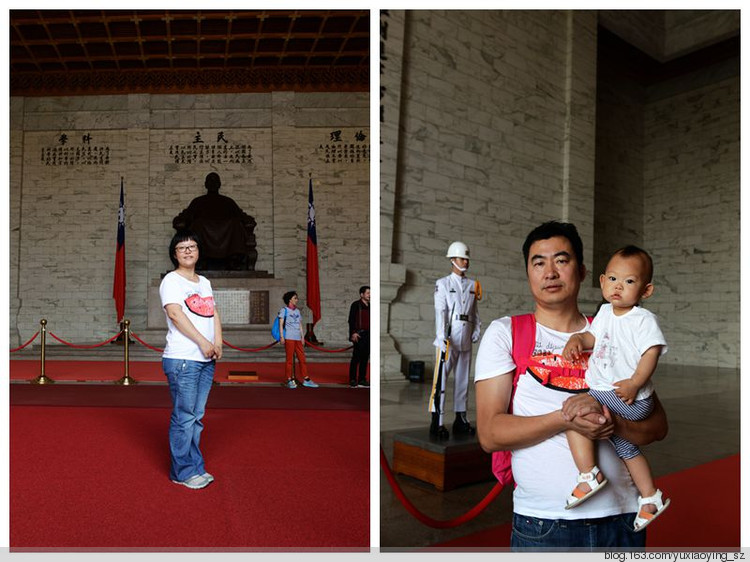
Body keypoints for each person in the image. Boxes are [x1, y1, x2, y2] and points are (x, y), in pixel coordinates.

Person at [475, 221, 668, 550]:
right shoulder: (506, 332)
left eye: (561, 261)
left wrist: (612, 425)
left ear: (582, 271)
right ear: (528, 273)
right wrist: (565, 419)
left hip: (622, 519)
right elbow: (490, 434)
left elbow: (657, 425)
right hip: (544, 523)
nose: (550, 272)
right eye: (539, 262)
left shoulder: (615, 328)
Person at [562, 245, 670, 530]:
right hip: (613, 393)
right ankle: (650, 497)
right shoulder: (605, 312)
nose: (618, 287)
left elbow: (652, 352)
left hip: (628, 396)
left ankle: (589, 475)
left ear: (646, 291)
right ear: (602, 281)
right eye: (612, 279)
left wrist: (635, 383)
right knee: (626, 448)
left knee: (575, 412)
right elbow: (592, 337)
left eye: (629, 281)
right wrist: (578, 340)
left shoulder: (643, 320)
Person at [159, 230, 223, 490]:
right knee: (184, 417)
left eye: (192, 246)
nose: (187, 251)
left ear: (198, 251)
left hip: (206, 359)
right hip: (183, 358)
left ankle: (195, 465)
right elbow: (175, 314)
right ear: (174, 254)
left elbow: (213, 312)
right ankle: (182, 471)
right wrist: (202, 342)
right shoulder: (171, 281)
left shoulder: (204, 281)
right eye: (182, 247)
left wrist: (217, 342)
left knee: (196, 416)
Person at [431, 241, 481, 438]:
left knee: (462, 381)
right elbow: (440, 311)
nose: (465, 262)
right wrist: (441, 335)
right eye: (461, 258)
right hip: (449, 337)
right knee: (441, 381)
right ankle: (438, 421)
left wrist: (477, 328)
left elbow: (474, 311)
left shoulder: (472, 285)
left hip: (466, 336)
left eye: (467, 259)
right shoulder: (443, 284)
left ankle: (461, 418)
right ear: (452, 260)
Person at [172, 172, 258, 270]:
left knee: (235, 223)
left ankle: (234, 260)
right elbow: (185, 216)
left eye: (215, 181)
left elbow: (241, 216)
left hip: (227, 233)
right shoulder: (198, 202)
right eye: (210, 181)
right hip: (203, 231)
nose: (212, 184)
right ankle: (200, 259)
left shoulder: (228, 202)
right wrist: (179, 221)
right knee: (198, 224)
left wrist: (249, 220)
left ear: (219, 184)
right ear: (205, 184)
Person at [278, 291, 318, 389]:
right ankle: (289, 379)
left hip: (297, 338)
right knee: (289, 360)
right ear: (290, 299)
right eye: (295, 298)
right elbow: (280, 324)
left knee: (302, 359)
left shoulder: (297, 311)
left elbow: (300, 324)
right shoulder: (284, 310)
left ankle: (306, 378)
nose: (297, 300)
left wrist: (302, 337)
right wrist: (282, 336)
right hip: (289, 337)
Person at [348, 285, 370, 388]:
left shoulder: (371, 306)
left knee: (365, 358)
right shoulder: (356, 305)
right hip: (359, 334)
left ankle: (362, 379)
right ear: (362, 294)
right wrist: (353, 333)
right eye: (368, 293)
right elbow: (351, 320)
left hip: (369, 334)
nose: (370, 295)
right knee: (356, 358)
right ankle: (353, 379)